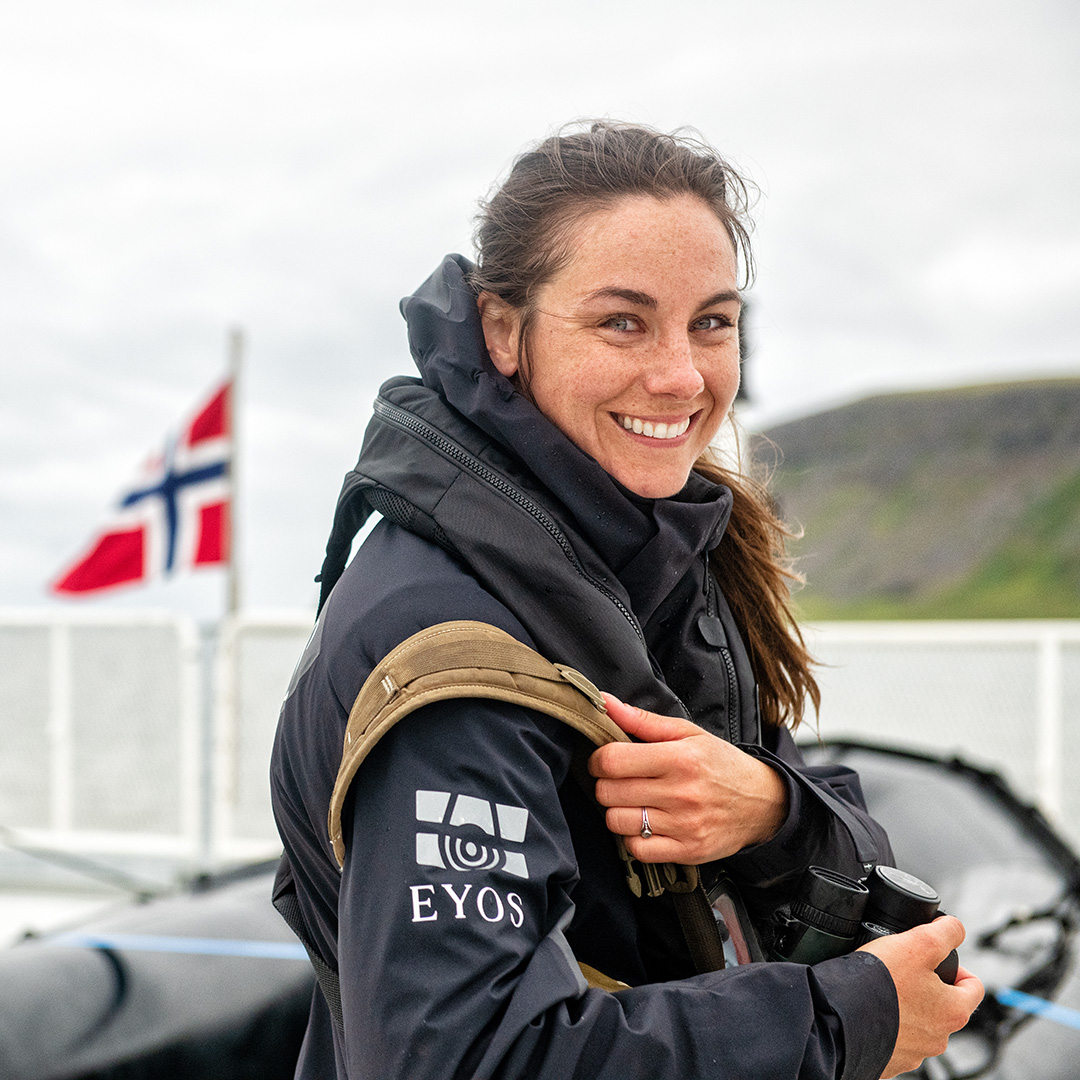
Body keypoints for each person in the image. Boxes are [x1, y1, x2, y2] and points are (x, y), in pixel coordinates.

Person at [270, 120, 983, 1080]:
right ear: (501, 331)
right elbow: (466, 1060)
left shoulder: (655, 569)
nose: (681, 375)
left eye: (712, 323)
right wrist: (842, 1021)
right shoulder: (453, 647)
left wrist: (771, 811)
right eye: (622, 322)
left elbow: (811, 841)